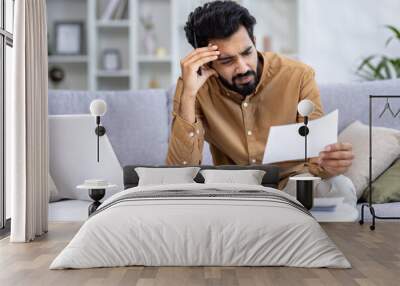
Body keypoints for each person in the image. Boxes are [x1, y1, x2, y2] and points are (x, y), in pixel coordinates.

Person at [165, 0, 354, 189]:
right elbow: (179, 173)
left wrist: (328, 164)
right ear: (207, 63)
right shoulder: (195, 87)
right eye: (227, 61)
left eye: (247, 52)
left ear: (254, 42)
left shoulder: (298, 76)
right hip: (234, 189)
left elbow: (316, 154)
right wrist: (188, 95)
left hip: (292, 183)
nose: (242, 67)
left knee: (341, 187)